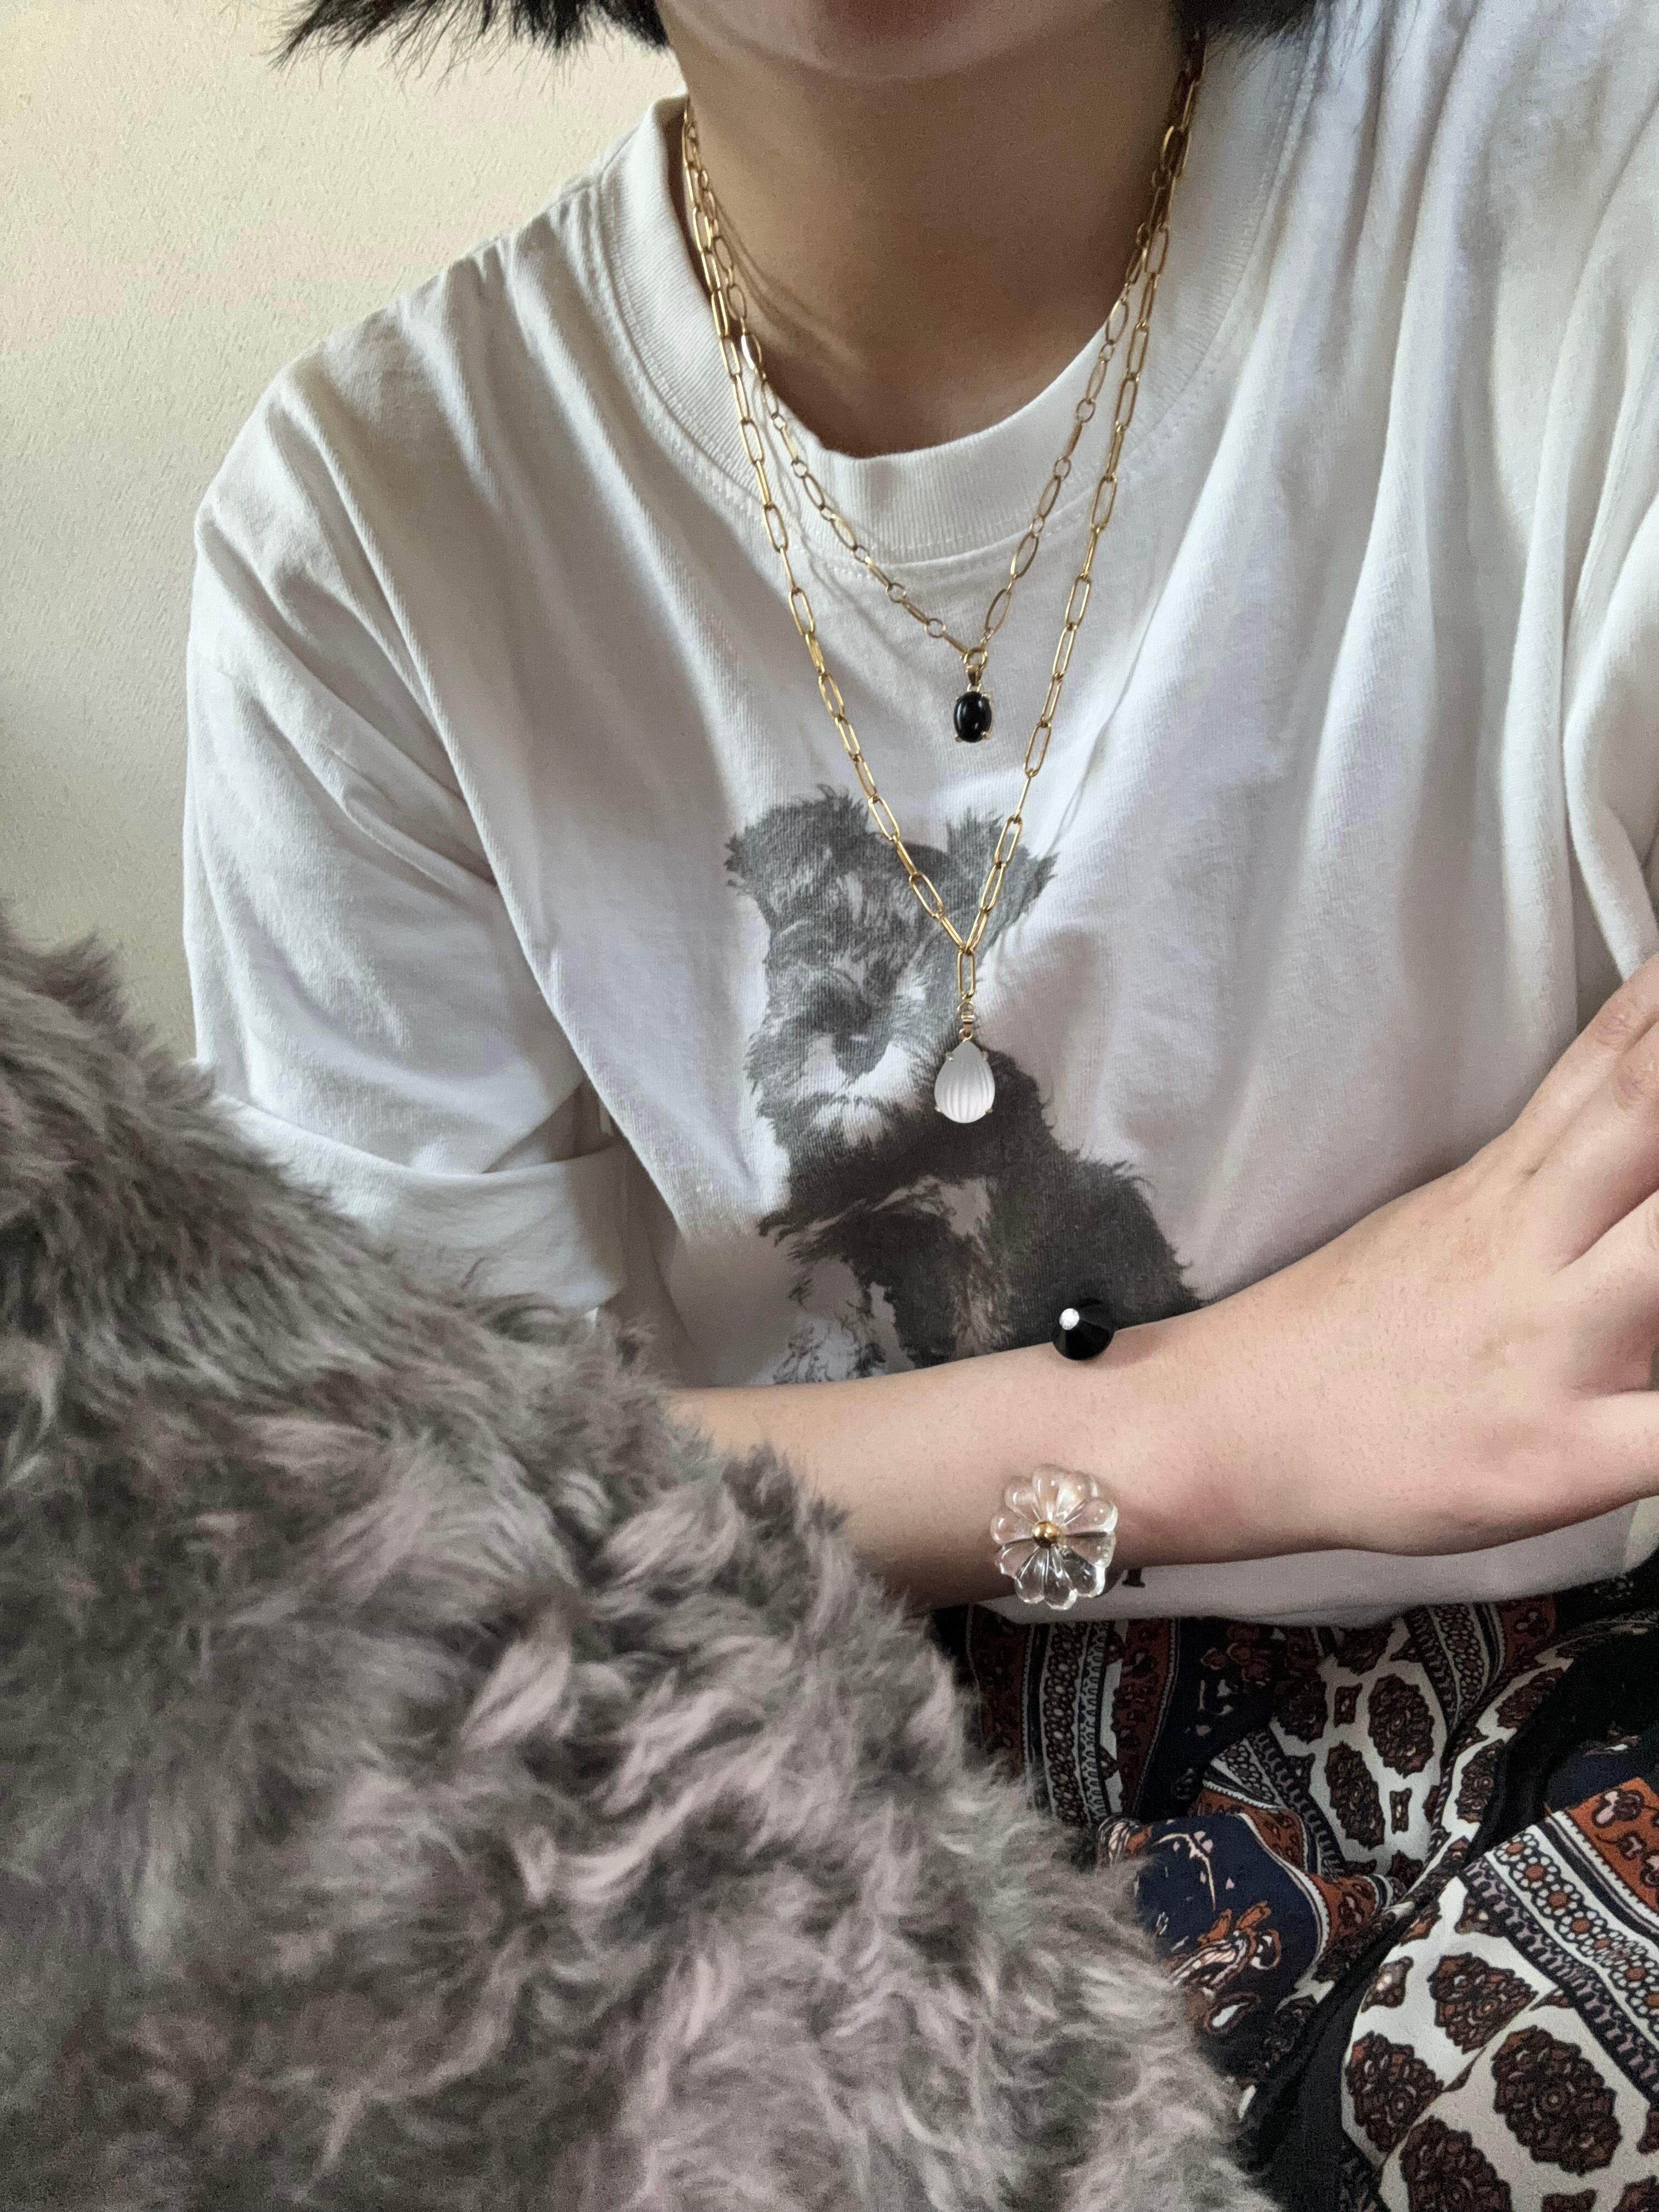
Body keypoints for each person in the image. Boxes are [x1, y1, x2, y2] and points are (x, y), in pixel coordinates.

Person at [183, 0, 1659, 2200]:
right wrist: (1195, 1430)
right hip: (782, 1718)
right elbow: (427, 1541)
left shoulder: (1584, 178)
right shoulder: (375, 530)